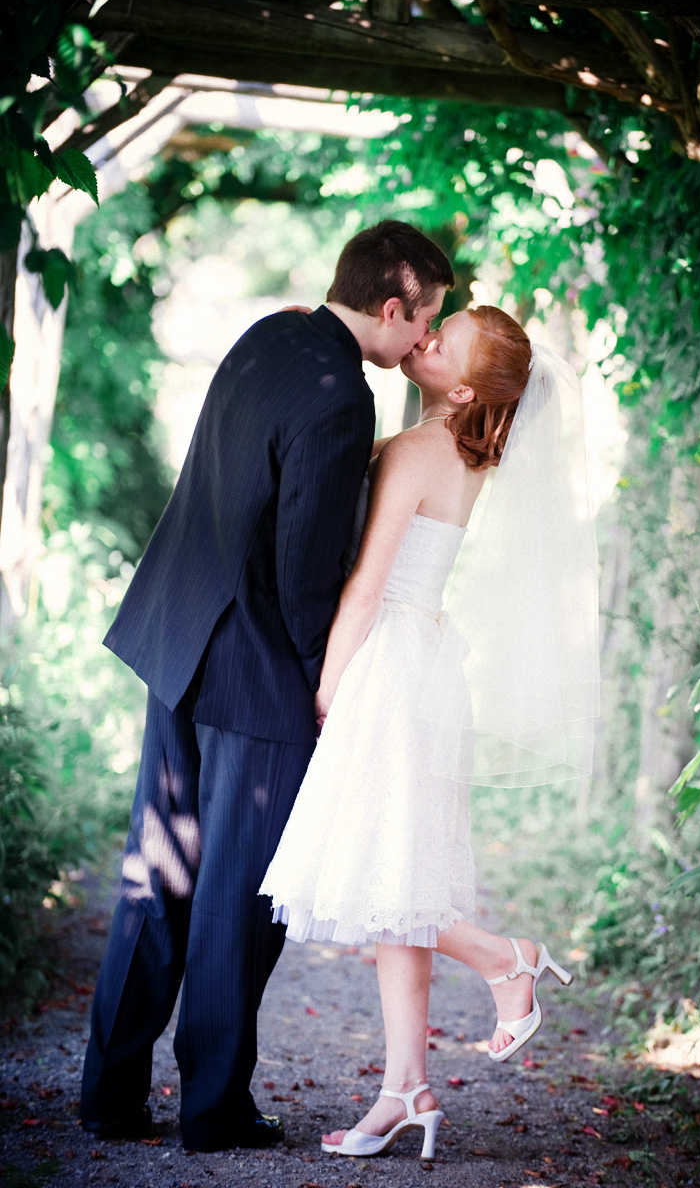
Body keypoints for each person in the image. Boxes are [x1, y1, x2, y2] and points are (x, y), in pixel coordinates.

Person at [79, 221, 454, 1153]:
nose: (419, 346)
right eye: (424, 323)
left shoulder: (268, 334)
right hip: (254, 669)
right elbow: (303, 570)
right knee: (238, 901)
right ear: (393, 306)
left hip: (180, 640)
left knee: (155, 877)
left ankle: (109, 1098)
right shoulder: (343, 399)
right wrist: (323, 678)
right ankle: (213, 1110)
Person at [260, 304, 599, 1160]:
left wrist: (328, 687)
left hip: (385, 666)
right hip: (425, 667)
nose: (427, 340)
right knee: (392, 892)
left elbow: (366, 587)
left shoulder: (415, 450)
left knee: (380, 877)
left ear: (466, 386)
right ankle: (404, 1089)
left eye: (445, 342)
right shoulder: (457, 456)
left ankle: (503, 956)